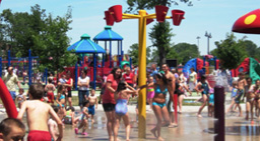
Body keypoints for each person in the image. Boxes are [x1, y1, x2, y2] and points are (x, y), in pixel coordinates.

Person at [139, 72, 171, 141]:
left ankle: (154, 129)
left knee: (167, 120)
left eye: (157, 78)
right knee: (159, 120)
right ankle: (159, 136)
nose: (156, 79)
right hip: (156, 103)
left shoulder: (166, 85)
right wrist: (138, 89)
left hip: (163, 104)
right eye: (155, 78)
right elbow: (145, 86)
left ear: (161, 79)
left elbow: (171, 92)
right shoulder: (155, 85)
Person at [102, 67, 122, 141]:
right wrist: (115, 92)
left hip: (115, 101)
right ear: (114, 71)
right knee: (110, 119)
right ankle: (110, 136)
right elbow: (108, 87)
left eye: (120, 72)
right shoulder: (110, 76)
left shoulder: (119, 79)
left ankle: (115, 136)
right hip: (107, 100)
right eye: (117, 71)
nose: (118, 73)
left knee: (114, 119)